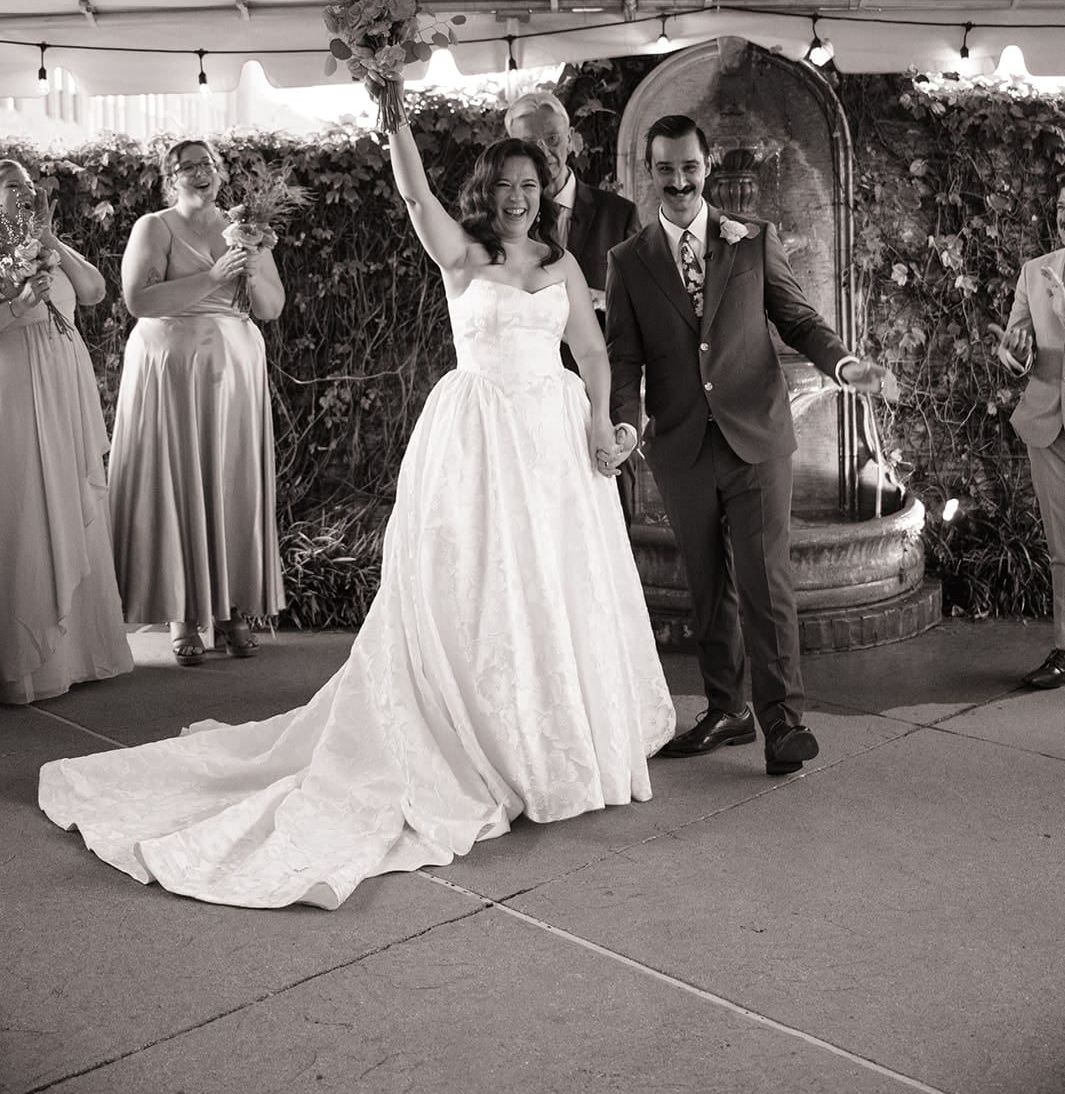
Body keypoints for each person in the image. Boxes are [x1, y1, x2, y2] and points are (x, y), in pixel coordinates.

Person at [38, 98, 674, 909]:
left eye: (529, 181)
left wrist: (598, 422)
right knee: (478, 585)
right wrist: (394, 111)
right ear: (487, 190)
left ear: (545, 184)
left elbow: (589, 349)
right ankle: (477, 737)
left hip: (553, 448)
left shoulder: (564, 263)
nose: (517, 194)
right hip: (478, 439)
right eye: (505, 183)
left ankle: (558, 744)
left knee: (556, 587)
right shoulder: (460, 252)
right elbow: (413, 197)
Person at [605, 114, 896, 776]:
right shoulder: (627, 262)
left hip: (756, 438)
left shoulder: (752, 240)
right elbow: (624, 358)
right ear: (649, 174)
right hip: (680, 445)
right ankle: (725, 708)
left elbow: (797, 318)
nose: (678, 180)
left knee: (766, 583)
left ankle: (782, 722)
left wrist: (844, 366)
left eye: (688, 167)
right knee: (707, 589)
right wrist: (626, 421)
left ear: (705, 168)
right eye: (665, 169)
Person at [108, 139, 286, 666]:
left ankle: (231, 610)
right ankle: (184, 615)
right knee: (181, 481)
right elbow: (139, 301)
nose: (199, 173)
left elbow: (273, 307)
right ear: (170, 176)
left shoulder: (246, 228)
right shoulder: (154, 227)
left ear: (220, 172)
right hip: (173, 372)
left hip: (235, 371)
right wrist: (212, 277)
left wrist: (251, 270)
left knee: (230, 484)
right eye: (187, 166)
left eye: (207, 164)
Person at [0, 159, 133, 704]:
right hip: (14, 381)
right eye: (12, 187)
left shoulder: (48, 244)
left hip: (64, 380)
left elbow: (96, 291)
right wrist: (18, 302)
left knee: (72, 495)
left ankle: (79, 652)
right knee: (29, 499)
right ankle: (27, 661)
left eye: (29, 186)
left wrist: (50, 239)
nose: (25, 193)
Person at [505, 90, 641, 517]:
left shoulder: (618, 214)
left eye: (553, 139)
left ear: (572, 139)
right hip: (526, 406)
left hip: (602, 392)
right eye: (532, 144)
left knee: (610, 524)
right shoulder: (503, 226)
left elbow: (637, 314)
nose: (545, 152)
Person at [993, 185, 1065, 690]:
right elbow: (1016, 350)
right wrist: (1014, 350)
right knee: (1062, 546)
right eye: (1062, 209)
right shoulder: (1033, 272)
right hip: (1048, 422)